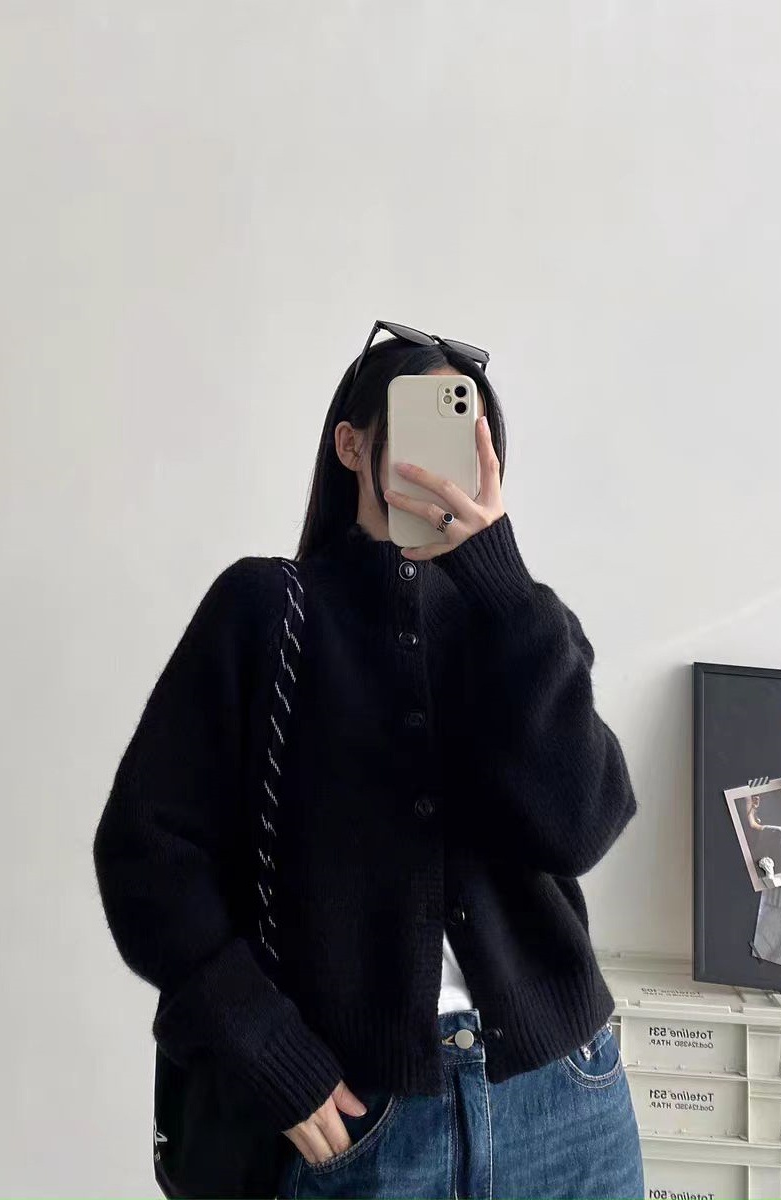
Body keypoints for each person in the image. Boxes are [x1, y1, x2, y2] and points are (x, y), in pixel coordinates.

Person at [93, 321, 645, 1199]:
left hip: (565, 1102)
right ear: (352, 444)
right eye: (426, 420)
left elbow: (581, 827)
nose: (448, 454)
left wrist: (504, 588)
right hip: (362, 1127)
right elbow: (146, 852)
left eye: (469, 431)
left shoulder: (521, 628)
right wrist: (263, 1045)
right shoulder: (265, 611)